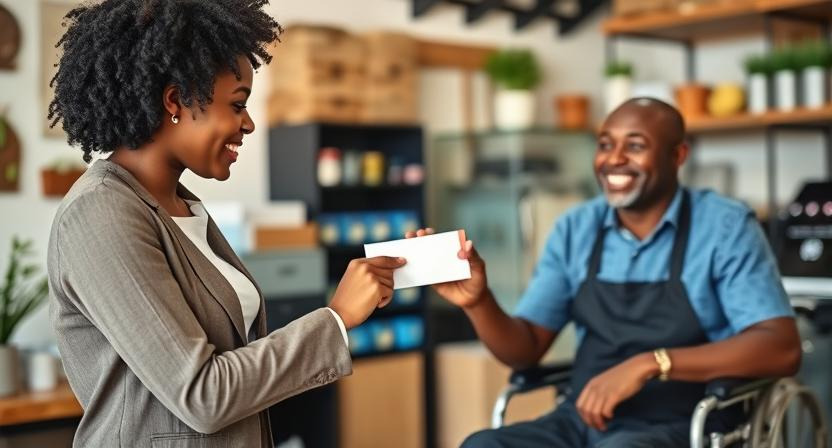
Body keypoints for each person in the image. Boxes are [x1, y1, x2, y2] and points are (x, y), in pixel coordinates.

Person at [45, 1, 404, 446]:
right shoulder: (100, 212)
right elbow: (203, 395)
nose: (248, 124)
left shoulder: (184, 209)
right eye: (237, 104)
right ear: (175, 100)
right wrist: (337, 318)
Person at [408, 98, 802, 447]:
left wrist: (652, 362)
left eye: (635, 145)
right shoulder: (575, 228)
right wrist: (479, 302)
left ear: (678, 155)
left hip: (688, 422)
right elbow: (524, 350)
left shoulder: (724, 227)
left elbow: (781, 348)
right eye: (605, 144)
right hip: (584, 419)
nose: (614, 159)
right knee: (483, 444)